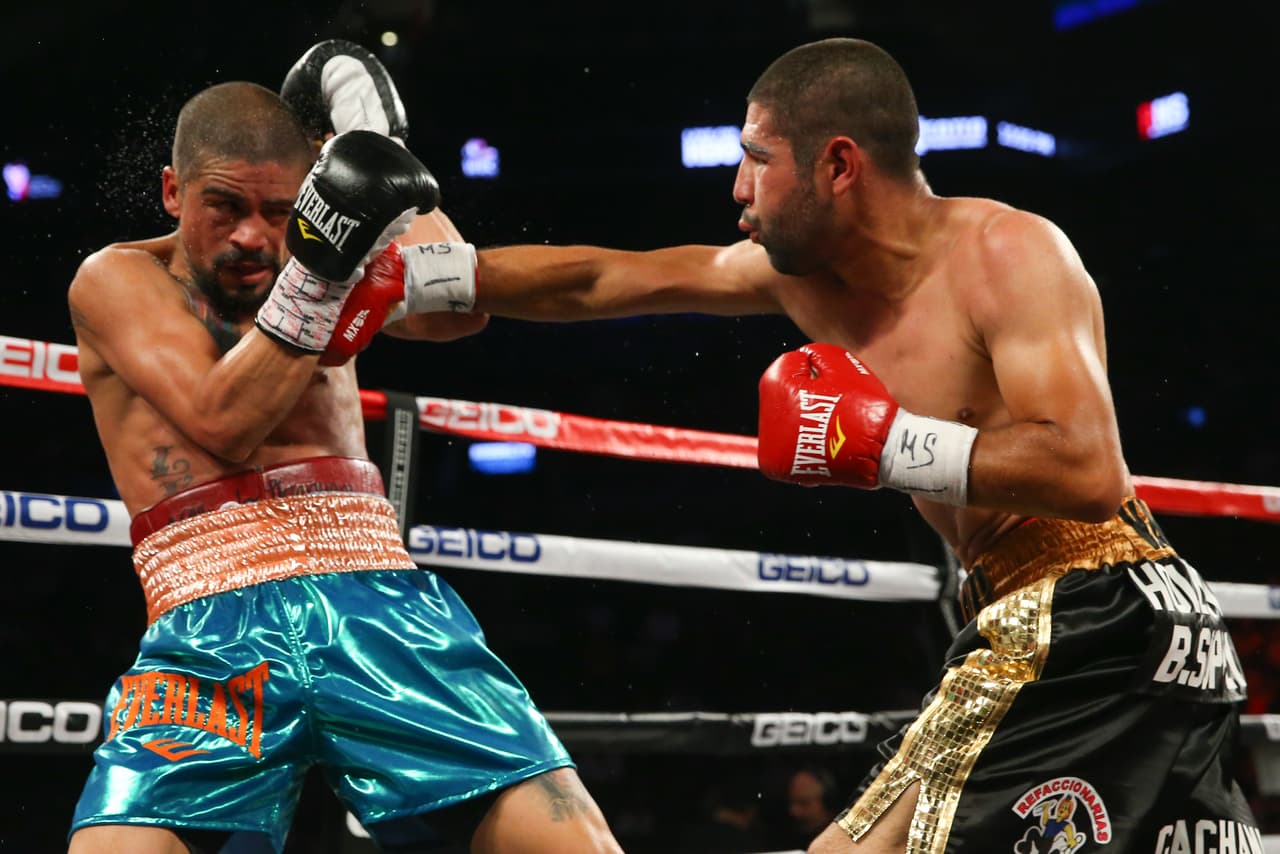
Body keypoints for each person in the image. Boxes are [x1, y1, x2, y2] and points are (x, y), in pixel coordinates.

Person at [373, 37, 1262, 853]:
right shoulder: (805, 284)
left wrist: (884, 448)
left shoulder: (1009, 253)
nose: (736, 188)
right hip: (1064, 622)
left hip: (1090, 609)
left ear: (838, 164)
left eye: (757, 161)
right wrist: (420, 274)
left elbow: (1087, 470)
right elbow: (610, 277)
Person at [65, 45, 622, 854]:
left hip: (376, 598)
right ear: (171, 191)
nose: (254, 237)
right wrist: (325, 262)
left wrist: (378, 151)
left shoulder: (314, 256)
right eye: (223, 207)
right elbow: (223, 421)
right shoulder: (118, 278)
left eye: (281, 212)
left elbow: (453, 311)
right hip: (208, 624)